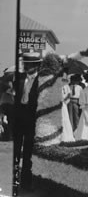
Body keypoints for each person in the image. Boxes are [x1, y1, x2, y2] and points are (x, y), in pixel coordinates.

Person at [13, 52, 42, 191]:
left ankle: (25, 183)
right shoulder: (18, 79)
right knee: (16, 151)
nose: (26, 66)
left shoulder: (41, 80)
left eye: (29, 64)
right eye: (25, 63)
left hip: (32, 118)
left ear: (36, 65)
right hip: (18, 117)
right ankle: (14, 181)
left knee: (28, 152)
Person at [74, 70, 88, 140]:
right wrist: (86, 116)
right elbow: (82, 105)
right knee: (86, 127)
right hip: (87, 111)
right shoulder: (84, 91)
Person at [60, 77, 75, 142]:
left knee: (65, 118)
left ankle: (67, 136)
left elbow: (69, 95)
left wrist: (65, 99)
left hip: (63, 104)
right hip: (58, 104)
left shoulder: (66, 86)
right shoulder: (57, 85)